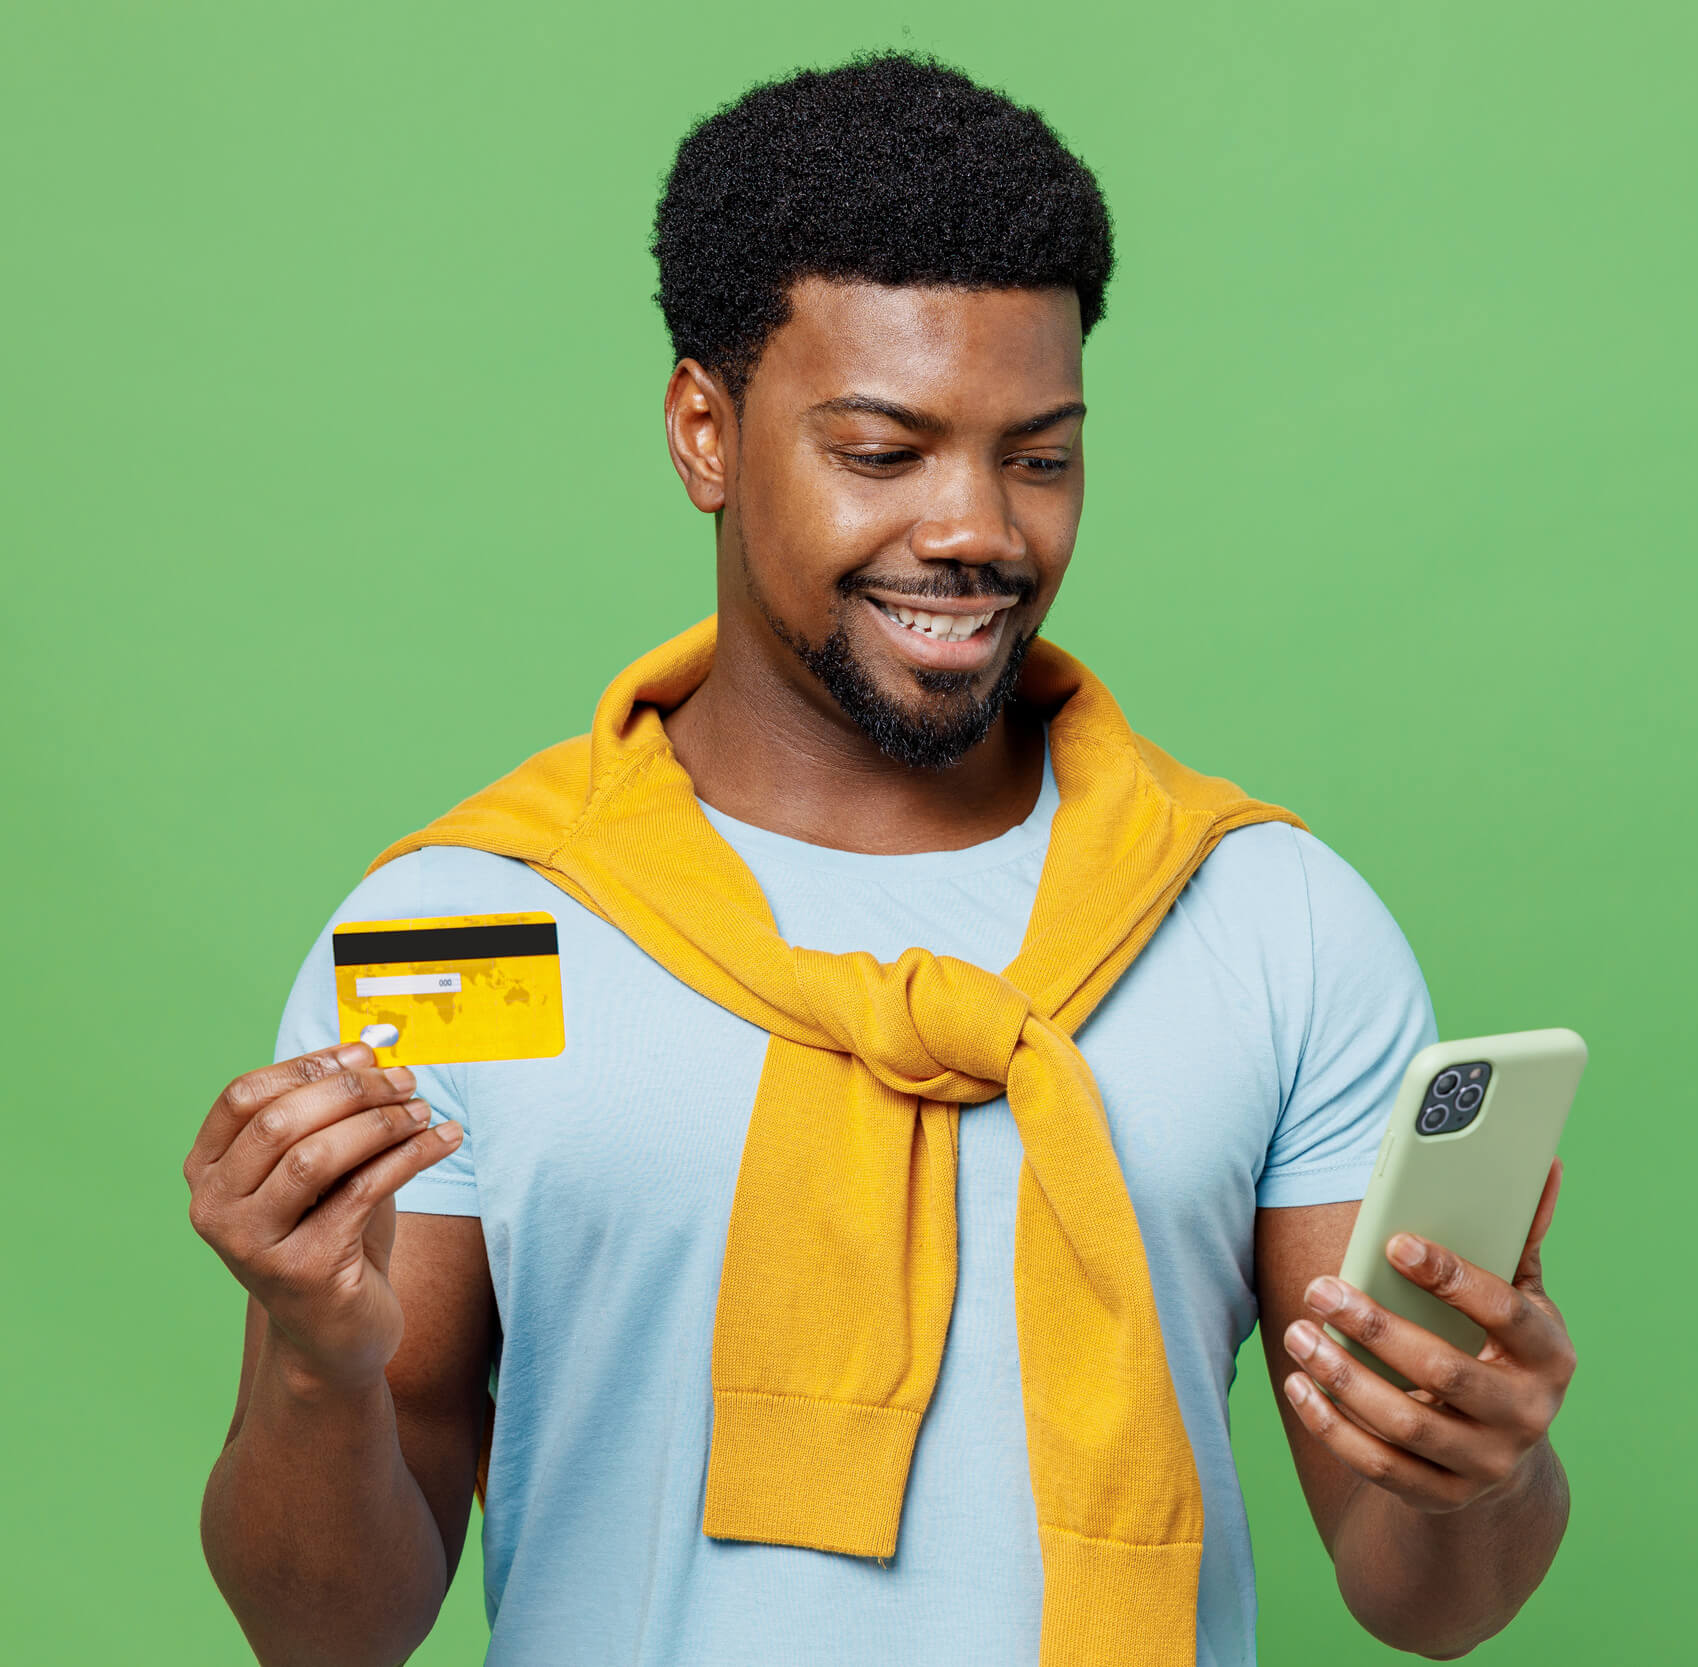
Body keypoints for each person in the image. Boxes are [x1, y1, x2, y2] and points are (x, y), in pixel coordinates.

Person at [184, 53, 1575, 1667]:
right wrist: (311, 1363)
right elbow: (323, 1634)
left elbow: (1429, 1599)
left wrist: (1490, 1472)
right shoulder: (473, 931)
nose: (978, 525)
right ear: (706, 432)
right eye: (883, 449)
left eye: (1039, 456)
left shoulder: (1268, 921)